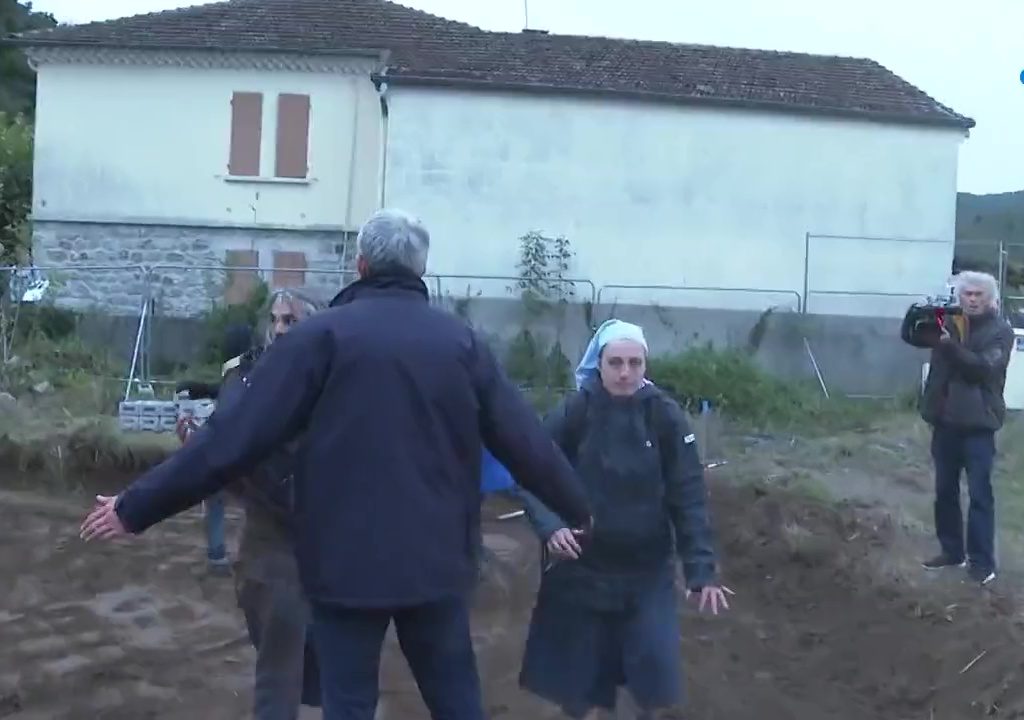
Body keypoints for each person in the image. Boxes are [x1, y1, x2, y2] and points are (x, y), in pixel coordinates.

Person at [80, 208, 593, 720]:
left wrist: (135, 506)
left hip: (347, 565)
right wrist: (578, 507)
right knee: (456, 701)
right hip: (437, 562)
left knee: (348, 702)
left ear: (361, 265)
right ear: (420, 269)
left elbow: (230, 439)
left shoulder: (319, 339)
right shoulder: (461, 344)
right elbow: (525, 440)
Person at [517, 318, 729, 720]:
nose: (625, 372)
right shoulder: (575, 411)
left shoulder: (664, 417)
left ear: (646, 364)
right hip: (580, 571)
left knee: (644, 686)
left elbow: (688, 494)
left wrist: (701, 569)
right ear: (599, 363)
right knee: (579, 693)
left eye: (635, 362)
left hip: (645, 575)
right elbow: (533, 473)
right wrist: (551, 526)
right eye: (616, 362)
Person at [919, 270, 1014, 586]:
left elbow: (981, 368)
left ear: (990, 299)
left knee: (979, 495)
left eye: (979, 295)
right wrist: (919, 320)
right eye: (967, 294)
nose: (972, 300)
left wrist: (947, 345)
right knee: (944, 491)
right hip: (945, 422)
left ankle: (982, 562)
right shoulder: (948, 322)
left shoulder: (1001, 331)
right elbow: (913, 338)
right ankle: (952, 552)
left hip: (979, 425)